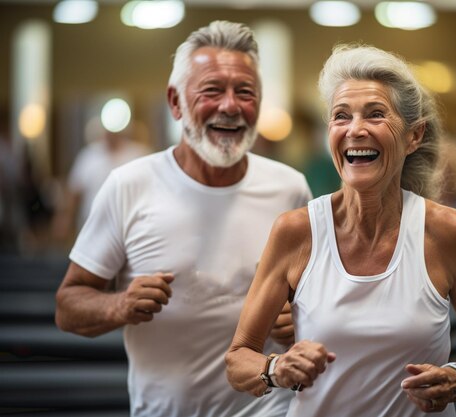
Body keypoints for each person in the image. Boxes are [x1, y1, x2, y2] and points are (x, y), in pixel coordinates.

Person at [225, 44, 456, 416]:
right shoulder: (296, 232)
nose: (355, 129)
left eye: (375, 115)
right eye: (341, 116)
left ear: (413, 136)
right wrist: (276, 369)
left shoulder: (446, 231)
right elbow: (238, 358)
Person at [55, 21, 312, 417]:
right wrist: (120, 305)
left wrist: (301, 318)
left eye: (245, 92)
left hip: (271, 409)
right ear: (175, 102)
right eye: (212, 90)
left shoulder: (289, 189)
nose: (230, 105)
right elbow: (68, 306)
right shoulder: (129, 185)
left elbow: (323, 302)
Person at [52, 128, 150, 245]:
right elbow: (74, 192)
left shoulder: (138, 154)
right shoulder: (88, 156)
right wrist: (64, 219)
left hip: (130, 231)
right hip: (93, 230)